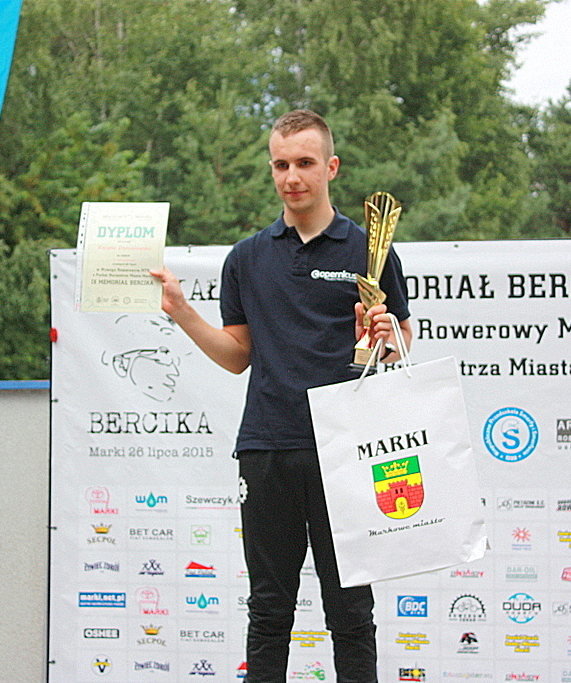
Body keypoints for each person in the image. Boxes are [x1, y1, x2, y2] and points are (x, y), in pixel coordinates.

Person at [151, 109, 412, 683]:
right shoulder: (246, 258)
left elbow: (399, 343)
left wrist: (386, 335)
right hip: (268, 448)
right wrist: (182, 312)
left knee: (351, 613)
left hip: (347, 451)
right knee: (269, 611)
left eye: (305, 163)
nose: (292, 176)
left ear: (331, 167)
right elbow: (237, 355)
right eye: (280, 164)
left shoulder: (370, 250)